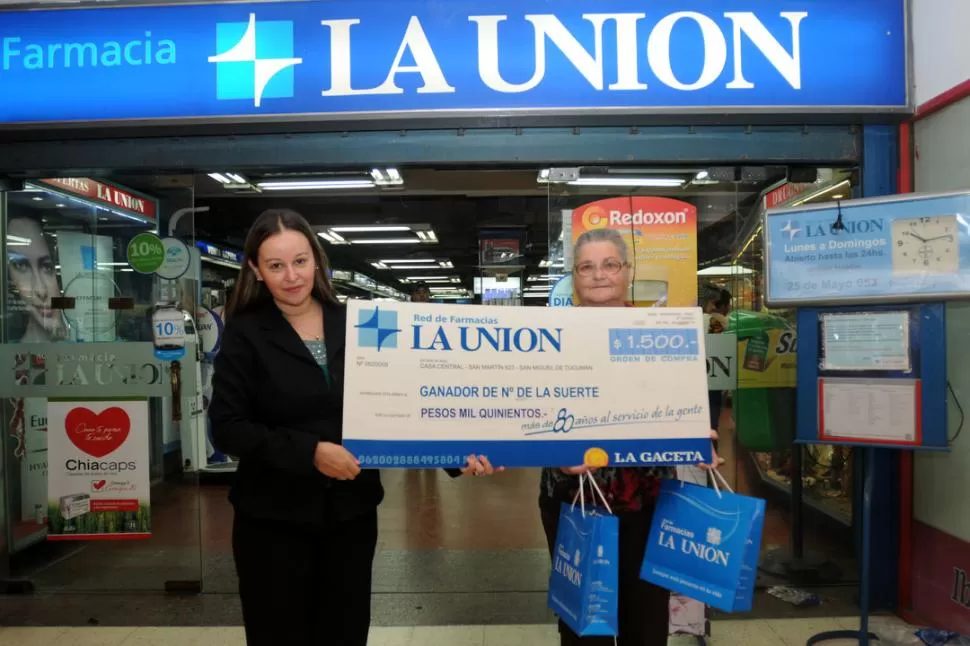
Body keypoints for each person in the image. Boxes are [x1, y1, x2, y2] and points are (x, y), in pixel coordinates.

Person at [208, 208, 497, 646]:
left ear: (318, 260)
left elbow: (406, 403)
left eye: (301, 261)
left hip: (350, 517)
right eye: (276, 265)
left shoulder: (359, 323)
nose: (291, 276)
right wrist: (311, 452)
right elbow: (228, 428)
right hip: (272, 521)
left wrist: (458, 455)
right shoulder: (245, 332)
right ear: (255, 269)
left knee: (344, 632)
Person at [539, 228, 719, 646]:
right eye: (587, 266)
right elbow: (533, 412)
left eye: (610, 264)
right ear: (574, 276)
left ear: (627, 272)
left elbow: (683, 404)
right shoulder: (550, 337)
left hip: (649, 499)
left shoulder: (664, 333)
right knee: (584, 624)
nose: (599, 275)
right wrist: (554, 448)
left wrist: (697, 436)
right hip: (574, 498)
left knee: (646, 621)